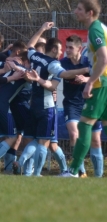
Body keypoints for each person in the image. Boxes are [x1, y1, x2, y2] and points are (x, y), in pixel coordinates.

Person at [60, 0, 107, 179]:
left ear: (89, 13)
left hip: (103, 84)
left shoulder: (95, 30)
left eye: (79, 9)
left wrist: (90, 82)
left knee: (84, 125)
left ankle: (72, 171)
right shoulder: (99, 28)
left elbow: (104, 59)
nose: (75, 11)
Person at [13, 22, 90, 176]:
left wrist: (42, 28)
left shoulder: (35, 56)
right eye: (61, 49)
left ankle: (22, 166)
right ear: (54, 49)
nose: (62, 53)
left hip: (33, 103)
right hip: (47, 106)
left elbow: (29, 45)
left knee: (33, 139)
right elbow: (61, 79)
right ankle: (36, 174)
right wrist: (86, 70)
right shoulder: (54, 64)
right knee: (43, 142)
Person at [60, 35, 103, 177]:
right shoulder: (64, 62)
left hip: (90, 104)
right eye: (66, 47)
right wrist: (84, 71)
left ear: (80, 48)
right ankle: (80, 171)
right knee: (74, 134)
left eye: (71, 47)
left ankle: (99, 177)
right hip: (72, 104)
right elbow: (65, 75)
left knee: (95, 140)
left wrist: (86, 79)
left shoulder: (89, 61)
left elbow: (102, 78)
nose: (67, 50)